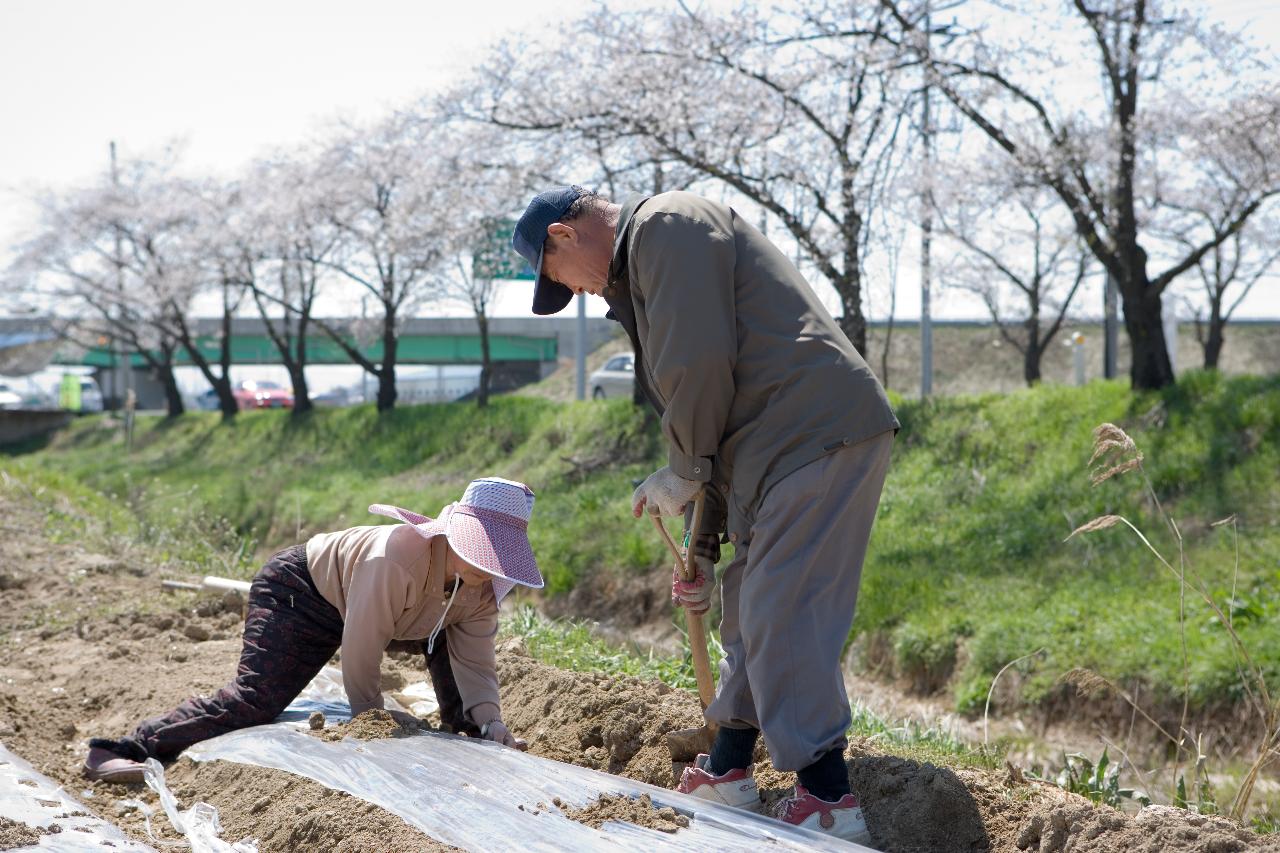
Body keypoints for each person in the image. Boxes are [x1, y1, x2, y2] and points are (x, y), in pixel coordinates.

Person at [513, 186, 898, 843]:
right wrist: (704, 544)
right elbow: (712, 420)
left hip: (813, 432)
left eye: (558, 280)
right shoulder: (647, 263)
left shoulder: (667, 224)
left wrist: (684, 468)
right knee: (751, 602)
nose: (573, 293)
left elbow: (698, 363)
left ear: (563, 236)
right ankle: (728, 768)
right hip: (769, 453)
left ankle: (828, 794)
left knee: (783, 606)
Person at [83, 477, 542, 783]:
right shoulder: (396, 557)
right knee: (256, 700)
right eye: (480, 552)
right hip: (302, 592)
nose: (488, 567)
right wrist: (371, 718)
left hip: (407, 613)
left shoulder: (481, 591)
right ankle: (129, 747)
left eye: (496, 558)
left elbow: (476, 661)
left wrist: (492, 721)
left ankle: (470, 735)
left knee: (467, 703)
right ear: (452, 534)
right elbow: (361, 643)